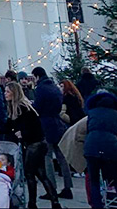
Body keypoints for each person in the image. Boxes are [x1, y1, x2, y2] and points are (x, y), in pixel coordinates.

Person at [1, 81, 60, 209]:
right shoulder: (15, 107)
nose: (5, 94)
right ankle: (54, 202)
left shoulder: (23, 107)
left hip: (35, 143)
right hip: (36, 142)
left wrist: (22, 134)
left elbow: (32, 127)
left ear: (14, 93)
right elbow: (10, 125)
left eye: (7, 91)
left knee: (30, 174)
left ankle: (32, 204)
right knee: (40, 173)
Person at [83, 91, 117, 209]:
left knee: (94, 180)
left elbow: (88, 130)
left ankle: (97, 206)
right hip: (112, 148)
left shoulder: (92, 113)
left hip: (92, 147)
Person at [31, 67, 73, 200]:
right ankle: (68, 187)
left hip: (45, 125)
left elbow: (37, 108)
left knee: (46, 157)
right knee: (62, 157)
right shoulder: (55, 88)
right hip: (58, 124)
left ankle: (51, 188)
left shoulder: (40, 89)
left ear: (37, 76)